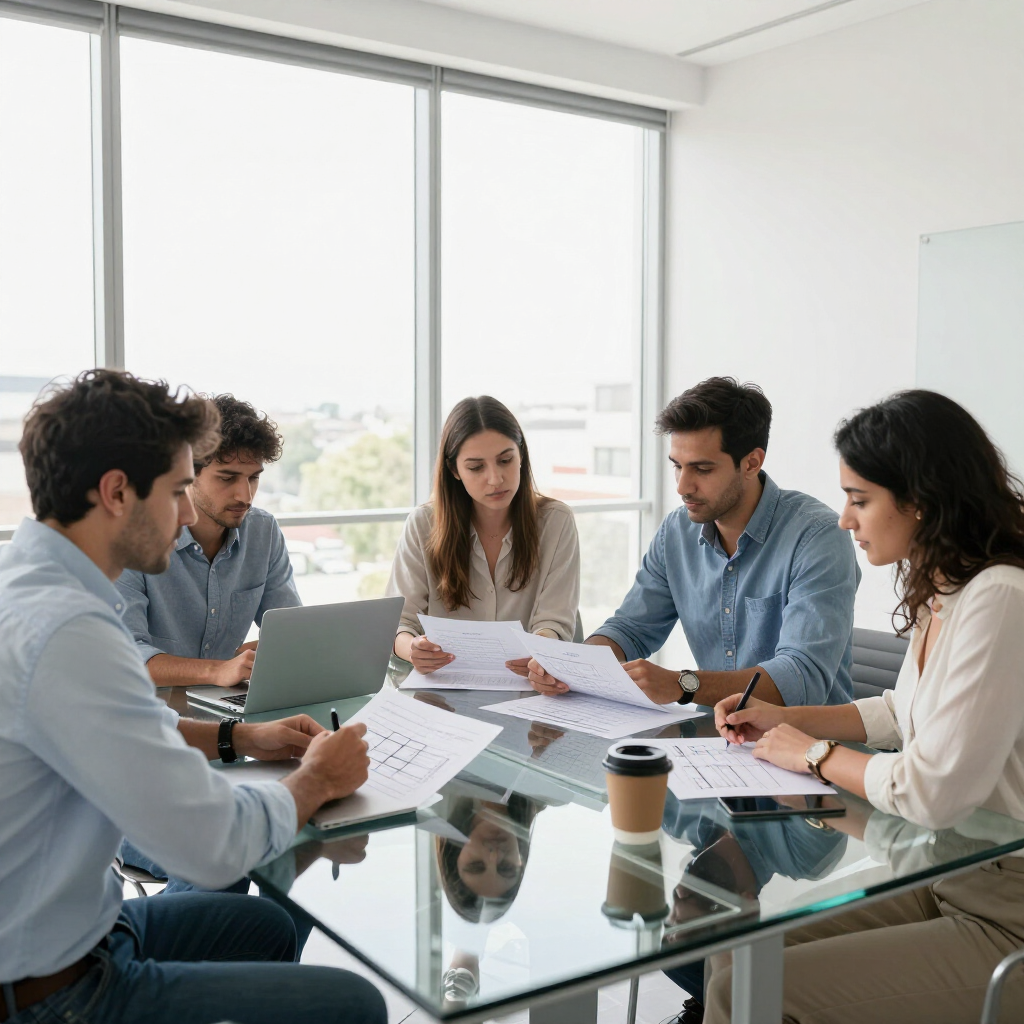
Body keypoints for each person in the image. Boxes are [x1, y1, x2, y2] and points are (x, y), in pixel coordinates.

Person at [0, 370, 385, 1024]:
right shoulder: (70, 634)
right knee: (353, 1003)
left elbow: (129, 724)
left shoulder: (36, 586)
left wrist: (239, 737)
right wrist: (315, 781)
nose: (185, 514)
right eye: (180, 489)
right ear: (117, 492)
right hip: (57, 992)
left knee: (263, 925)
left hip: (95, 926)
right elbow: (212, 844)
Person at [706, 389, 1024, 1023]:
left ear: (920, 500)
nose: (846, 520)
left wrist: (815, 755)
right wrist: (784, 722)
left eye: (859, 499)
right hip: (946, 871)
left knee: (766, 987)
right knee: (734, 960)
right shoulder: (948, 590)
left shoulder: (1003, 597)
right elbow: (901, 715)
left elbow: (932, 790)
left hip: (1006, 910)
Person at [528, 377, 860, 711]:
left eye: (701, 469)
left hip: (808, 748)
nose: (683, 486)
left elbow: (802, 677)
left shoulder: (818, 536)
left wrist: (682, 684)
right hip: (714, 741)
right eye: (677, 467)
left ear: (752, 462)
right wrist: (574, 667)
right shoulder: (676, 531)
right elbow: (630, 628)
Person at [387, 396, 580, 676]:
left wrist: (542, 652)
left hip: (527, 689)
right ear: (454, 470)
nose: (495, 478)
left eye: (505, 460)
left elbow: (555, 621)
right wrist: (413, 649)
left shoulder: (556, 521)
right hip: (442, 692)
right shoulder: (423, 524)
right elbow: (399, 624)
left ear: (522, 455)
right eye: (476, 467)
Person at [118, 393, 299, 689]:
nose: (245, 495)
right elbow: (125, 656)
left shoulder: (263, 532)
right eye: (227, 478)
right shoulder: (135, 536)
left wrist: (271, 649)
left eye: (253, 478)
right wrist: (217, 671)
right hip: (152, 709)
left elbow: (293, 630)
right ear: (188, 474)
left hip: (228, 701)